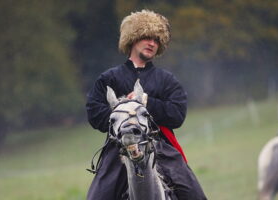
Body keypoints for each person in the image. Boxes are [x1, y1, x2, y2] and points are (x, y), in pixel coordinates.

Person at [86, 9, 207, 200]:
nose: (152, 43)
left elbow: (177, 114)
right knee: (96, 196)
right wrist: (123, 111)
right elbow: (94, 113)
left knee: (195, 195)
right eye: (147, 37)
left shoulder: (166, 80)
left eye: (157, 40)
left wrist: (148, 103)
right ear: (133, 38)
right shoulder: (109, 78)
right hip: (119, 148)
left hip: (160, 148)